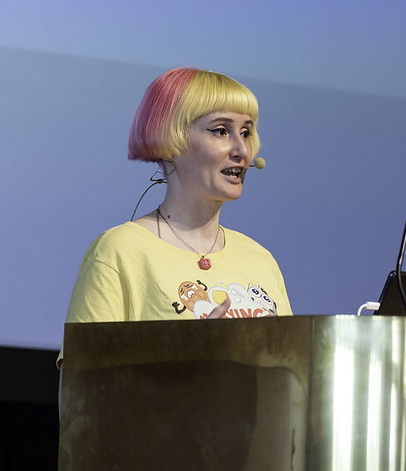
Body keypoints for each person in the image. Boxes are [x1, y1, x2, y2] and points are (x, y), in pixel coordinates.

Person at [58, 67, 292, 368]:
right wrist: (188, 360)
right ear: (171, 140)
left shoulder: (260, 260)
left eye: (246, 133)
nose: (241, 150)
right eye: (221, 131)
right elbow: (80, 400)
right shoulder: (119, 251)